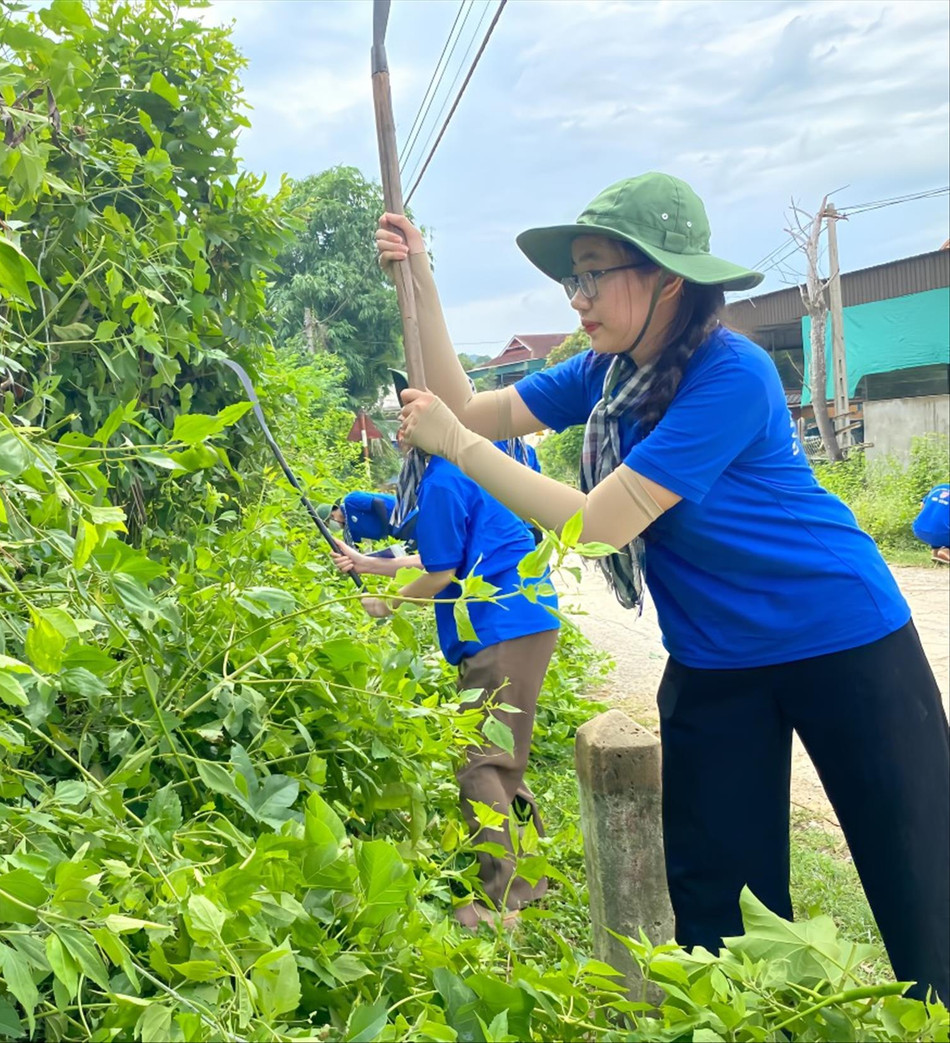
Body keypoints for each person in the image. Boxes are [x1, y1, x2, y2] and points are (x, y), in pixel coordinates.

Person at [378, 172, 949, 1001]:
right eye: (573, 277)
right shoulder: (604, 377)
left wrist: (459, 447)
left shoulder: (731, 374)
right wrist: (420, 271)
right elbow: (467, 403)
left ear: (669, 278)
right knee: (722, 910)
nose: (578, 296)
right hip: (717, 662)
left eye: (594, 273)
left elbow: (601, 524)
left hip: (847, 640)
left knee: (920, 880)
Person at [331, 453, 560, 929]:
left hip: (503, 627)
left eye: (409, 418)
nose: (400, 431)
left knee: (480, 760)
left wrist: (386, 604)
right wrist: (367, 564)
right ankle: (531, 875)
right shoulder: (470, 466)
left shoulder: (441, 481)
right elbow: (446, 556)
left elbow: (439, 575)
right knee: (502, 751)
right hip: (523, 621)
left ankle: (501, 901)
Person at [913, 483, 950, 564]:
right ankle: (946, 551)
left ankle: (936, 553)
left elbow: (922, 506)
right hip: (942, 534)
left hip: (919, 529)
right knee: (942, 527)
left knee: (936, 522)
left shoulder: (939, 487)